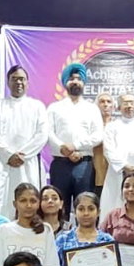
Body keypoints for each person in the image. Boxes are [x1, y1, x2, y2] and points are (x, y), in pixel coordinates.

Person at [0, 66, 48, 219]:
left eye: (22, 79)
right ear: (8, 82)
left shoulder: (37, 106)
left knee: (29, 202)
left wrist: (23, 155)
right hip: (3, 163)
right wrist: (8, 155)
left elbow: (42, 134)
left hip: (28, 163)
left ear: (27, 82)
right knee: (2, 204)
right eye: (14, 79)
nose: (18, 82)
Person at [46, 63, 104, 214]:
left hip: (83, 165)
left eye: (79, 79)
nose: (75, 82)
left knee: (85, 206)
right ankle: (59, 237)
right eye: (71, 79)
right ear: (65, 82)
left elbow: (98, 135)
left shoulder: (92, 108)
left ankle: (84, 238)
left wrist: (76, 145)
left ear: (84, 83)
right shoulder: (54, 108)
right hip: (60, 164)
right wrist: (64, 149)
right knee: (59, 208)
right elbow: (49, 132)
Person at [92, 93, 115, 197]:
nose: (106, 105)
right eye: (102, 102)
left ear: (113, 107)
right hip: (95, 176)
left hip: (114, 175)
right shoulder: (91, 128)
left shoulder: (118, 127)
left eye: (108, 102)